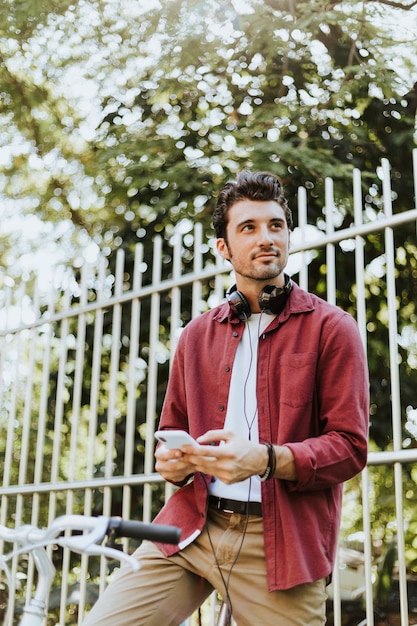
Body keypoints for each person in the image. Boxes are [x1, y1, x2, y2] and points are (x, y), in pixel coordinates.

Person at [82, 171, 369, 626]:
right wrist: (171, 464)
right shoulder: (195, 336)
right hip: (191, 527)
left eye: (275, 225)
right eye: (248, 228)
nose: (266, 238)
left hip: (281, 545)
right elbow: (170, 434)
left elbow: (350, 449)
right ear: (224, 248)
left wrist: (265, 459)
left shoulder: (333, 328)